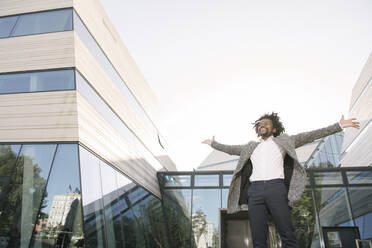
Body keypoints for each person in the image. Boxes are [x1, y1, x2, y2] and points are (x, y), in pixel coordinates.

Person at [202, 112, 359, 248]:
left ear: (274, 129)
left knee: (287, 233)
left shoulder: (284, 141)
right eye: (260, 124)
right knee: (258, 238)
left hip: (276, 189)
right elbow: (230, 149)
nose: (262, 125)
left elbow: (311, 135)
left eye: (266, 123)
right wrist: (214, 144)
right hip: (255, 192)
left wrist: (338, 126)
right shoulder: (250, 147)